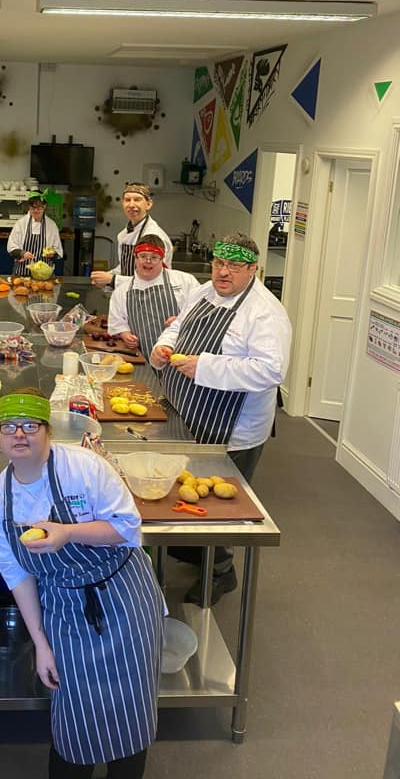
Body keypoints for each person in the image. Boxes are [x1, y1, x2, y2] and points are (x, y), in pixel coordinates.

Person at [0, 390, 164, 779]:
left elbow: (128, 528)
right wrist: (41, 644)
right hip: (65, 606)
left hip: (123, 596)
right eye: (9, 427)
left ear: (47, 431)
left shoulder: (84, 469)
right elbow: (17, 575)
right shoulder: (1, 500)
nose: (20, 435)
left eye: (31, 425)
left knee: (130, 706)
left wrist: (68, 533)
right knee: (74, 715)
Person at [150, 234, 292, 605]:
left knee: (221, 507)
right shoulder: (203, 291)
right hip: (186, 410)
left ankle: (221, 571)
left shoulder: (266, 313)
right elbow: (179, 325)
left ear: (253, 269)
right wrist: (164, 345)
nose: (223, 272)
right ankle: (196, 552)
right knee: (188, 489)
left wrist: (206, 367)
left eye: (234, 266)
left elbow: (270, 371)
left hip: (231, 426)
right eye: (218, 264)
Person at [107, 234, 199, 360]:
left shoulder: (185, 281)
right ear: (135, 258)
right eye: (143, 256)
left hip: (178, 357)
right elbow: (117, 320)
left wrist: (181, 320)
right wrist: (125, 334)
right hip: (143, 358)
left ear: (162, 259)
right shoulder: (123, 290)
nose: (148, 261)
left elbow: (201, 313)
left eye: (154, 257)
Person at [90, 182, 173, 289]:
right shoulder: (124, 234)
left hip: (150, 296)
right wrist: (106, 276)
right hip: (130, 291)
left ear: (148, 204)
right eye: (127, 200)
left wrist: (113, 280)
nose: (131, 205)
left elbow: (154, 279)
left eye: (137, 199)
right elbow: (125, 268)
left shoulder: (153, 236)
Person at [6, 190, 63, 277]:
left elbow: (58, 251)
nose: (36, 211)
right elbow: (11, 247)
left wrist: (52, 254)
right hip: (22, 274)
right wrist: (22, 253)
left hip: (44, 276)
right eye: (33, 207)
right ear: (29, 207)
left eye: (39, 208)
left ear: (44, 207)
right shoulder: (21, 223)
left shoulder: (51, 225)